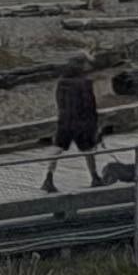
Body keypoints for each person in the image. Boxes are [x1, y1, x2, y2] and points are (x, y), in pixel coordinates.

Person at [46, 58, 104, 194]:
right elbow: (89, 106)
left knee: (57, 149)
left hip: (65, 120)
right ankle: (94, 177)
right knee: (88, 150)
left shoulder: (61, 83)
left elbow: (59, 102)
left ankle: (48, 177)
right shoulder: (84, 83)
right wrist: (95, 125)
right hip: (82, 123)